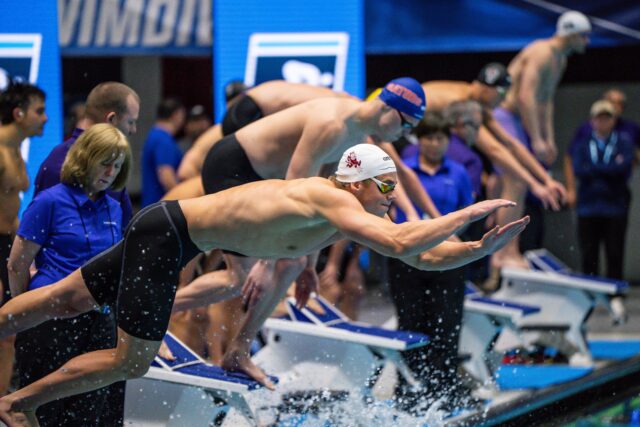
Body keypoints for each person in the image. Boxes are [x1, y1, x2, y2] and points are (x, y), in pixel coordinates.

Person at [0, 143, 529, 425]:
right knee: (131, 358)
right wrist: (471, 211)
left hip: (168, 232)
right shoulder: (333, 199)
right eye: (386, 185)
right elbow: (399, 245)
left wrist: (475, 249)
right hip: (169, 236)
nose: (392, 195)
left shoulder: (346, 211)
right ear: (360, 183)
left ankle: (15, 399)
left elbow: (422, 252)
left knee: (62, 300)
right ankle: (19, 403)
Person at [8, 124, 131, 426]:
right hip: (50, 322)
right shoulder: (49, 201)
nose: (111, 172)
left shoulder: (113, 209)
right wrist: (28, 310)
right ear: (86, 158)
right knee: (46, 411)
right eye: (105, 163)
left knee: (92, 411)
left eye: (117, 165)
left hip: (99, 322)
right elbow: (16, 265)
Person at [421, 63, 566, 273]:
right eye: (502, 93)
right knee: (485, 167)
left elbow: (511, 144)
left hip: (425, 140)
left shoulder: (474, 102)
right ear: (488, 88)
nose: (504, 99)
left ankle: (502, 251)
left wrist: (546, 179)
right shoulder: (460, 102)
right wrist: (536, 186)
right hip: (404, 142)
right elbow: (495, 151)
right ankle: (501, 251)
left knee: (509, 175)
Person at [388, 113, 474, 410]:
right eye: (428, 137)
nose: (434, 144)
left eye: (440, 138)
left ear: (448, 142)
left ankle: (445, 387)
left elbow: (465, 215)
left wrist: (451, 238)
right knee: (411, 320)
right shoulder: (401, 172)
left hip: (448, 256)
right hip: (407, 258)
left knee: (447, 322)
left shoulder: (459, 173)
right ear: (419, 140)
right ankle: (410, 388)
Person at [34, 81, 140, 225]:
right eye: (130, 122)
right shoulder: (60, 165)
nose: (134, 130)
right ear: (111, 119)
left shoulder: (57, 160)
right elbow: (36, 234)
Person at [0, 82, 47, 398]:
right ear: (19, 114)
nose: (45, 118)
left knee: (8, 333)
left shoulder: (15, 149)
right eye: (39, 111)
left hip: (5, 245)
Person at [564, 100, 635, 280]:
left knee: (615, 250)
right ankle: (590, 291)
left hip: (615, 205)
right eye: (599, 118)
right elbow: (579, 169)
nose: (602, 122)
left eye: (607, 118)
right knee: (588, 251)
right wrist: (609, 168)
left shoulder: (624, 142)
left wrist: (594, 168)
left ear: (613, 120)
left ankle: (615, 293)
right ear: (592, 121)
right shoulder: (583, 143)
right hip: (588, 206)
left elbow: (624, 168)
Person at [141, 98, 186, 207]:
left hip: (154, 206)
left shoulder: (154, 135)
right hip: (160, 208)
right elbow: (166, 176)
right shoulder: (163, 140)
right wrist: (184, 202)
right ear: (176, 115)